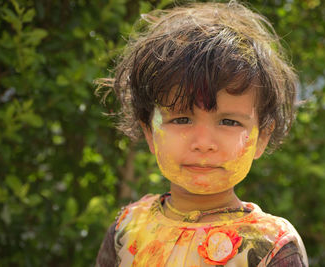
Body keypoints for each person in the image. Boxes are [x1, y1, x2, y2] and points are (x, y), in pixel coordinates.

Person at [95, 1, 308, 266]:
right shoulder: (126, 229)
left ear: (261, 137)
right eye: (181, 119)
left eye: (229, 122)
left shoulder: (269, 247)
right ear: (149, 132)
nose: (204, 143)